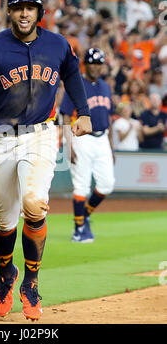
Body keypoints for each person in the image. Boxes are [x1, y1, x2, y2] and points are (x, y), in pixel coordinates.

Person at [0, 0, 92, 321]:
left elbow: (73, 75)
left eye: (30, 7)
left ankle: (31, 282)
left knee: (34, 203)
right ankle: (7, 275)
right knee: (3, 220)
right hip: (0, 137)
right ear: (9, 11)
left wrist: (84, 111)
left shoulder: (58, 45)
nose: (24, 12)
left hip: (42, 135)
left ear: (39, 11)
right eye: (18, 7)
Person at [60, 48, 115, 243]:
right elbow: (65, 115)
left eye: (99, 63)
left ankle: (85, 213)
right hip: (81, 137)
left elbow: (108, 116)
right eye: (92, 62)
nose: (96, 66)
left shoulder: (105, 86)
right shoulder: (76, 84)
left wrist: (111, 145)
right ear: (86, 63)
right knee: (81, 184)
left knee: (107, 184)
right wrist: (68, 145)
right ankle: (79, 229)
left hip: (103, 138)